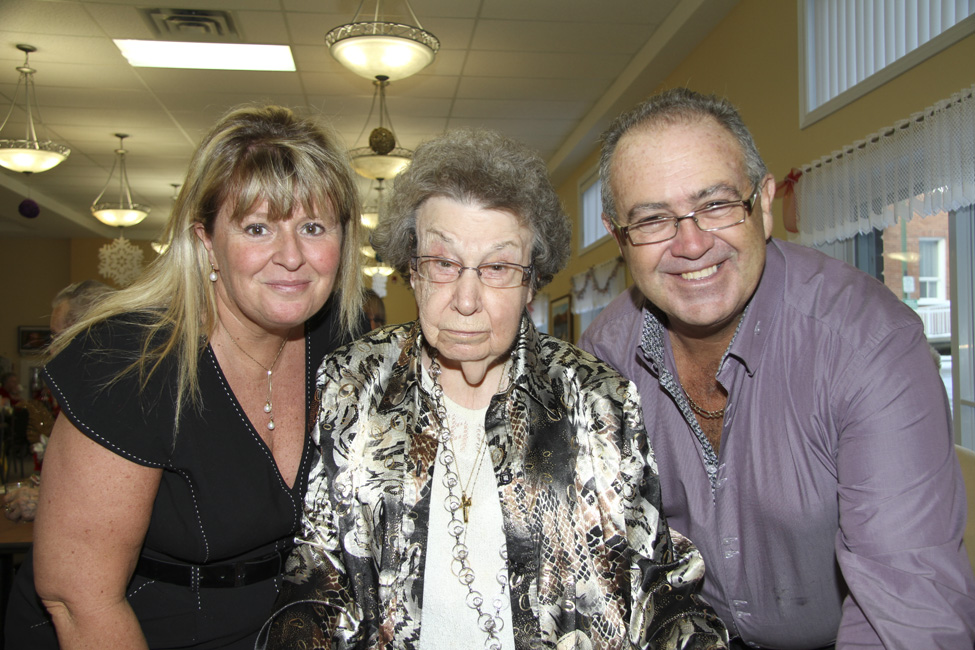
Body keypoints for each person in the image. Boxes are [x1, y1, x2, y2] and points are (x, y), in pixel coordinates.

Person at [260, 128, 728, 649]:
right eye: (443, 263)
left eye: (498, 267)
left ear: (531, 283)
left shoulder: (595, 399)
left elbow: (655, 588)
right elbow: (318, 574)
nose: (466, 299)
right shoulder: (355, 383)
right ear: (411, 272)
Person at [579, 87, 975, 649]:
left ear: (763, 205)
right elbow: (607, 560)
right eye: (652, 219)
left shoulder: (868, 346)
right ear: (620, 238)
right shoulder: (606, 361)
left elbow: (907, 611)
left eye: (716, 204)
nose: (691, 244)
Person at [5, 105, 364, 649]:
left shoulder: (339, 340)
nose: (291, 257)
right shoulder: (129, 359)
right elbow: (79, 598)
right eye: (258, 227)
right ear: (205, 241)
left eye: (313, 227)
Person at [3, 280, 114, 524]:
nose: (52, 349)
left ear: (89, 334)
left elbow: (107, 496)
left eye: (57, 336)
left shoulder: (112, 398)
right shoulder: (88, 392)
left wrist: (42, 501)